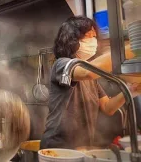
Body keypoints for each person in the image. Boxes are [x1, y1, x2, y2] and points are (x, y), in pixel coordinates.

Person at [41, 16, 140, 149]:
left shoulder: (92, 80)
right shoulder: (61, 64)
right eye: (88, 36)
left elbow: (108, 108)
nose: (93, 41)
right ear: (71, 40)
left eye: (94, 37)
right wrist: (131, 48)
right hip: (58, 146)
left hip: (82, 145)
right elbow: (88, 72)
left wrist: (132, 90)